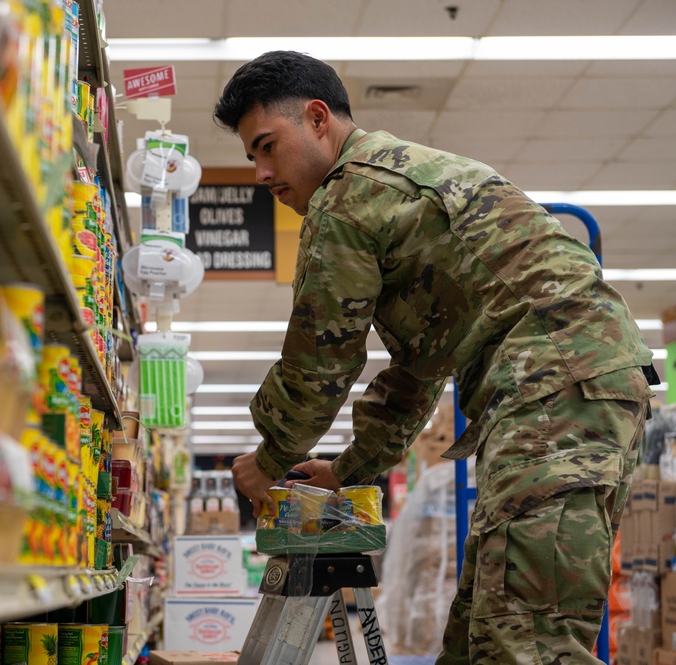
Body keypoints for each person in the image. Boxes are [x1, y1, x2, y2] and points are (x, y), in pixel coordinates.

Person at [217, 50, 658, 663]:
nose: (260, 173)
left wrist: (270, 458)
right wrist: (345, 470)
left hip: (553, 390)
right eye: (250, 156)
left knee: (524, 641)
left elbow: (320, 360)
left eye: (267, 146)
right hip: (568, 387)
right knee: (483, 629)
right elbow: (417, 372)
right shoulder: (398, 183)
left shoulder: (347, 198)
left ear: (318, 118)